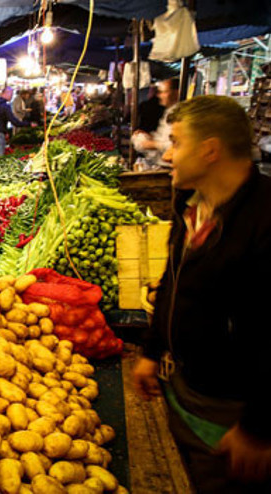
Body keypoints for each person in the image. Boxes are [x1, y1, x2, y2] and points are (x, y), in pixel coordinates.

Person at [132, 95, 271, 492]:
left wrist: (258, 429)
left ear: (210, 150)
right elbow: (173, 279)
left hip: (235, 416)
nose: (167, 155)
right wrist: (152, 350)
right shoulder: (191, 204)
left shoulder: (264, 220)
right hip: (187, 387)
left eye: (176, 142)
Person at [132, 79, 180, 170]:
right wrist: (150, 137)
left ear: (176, 93)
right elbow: (165, 137)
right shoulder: (168, 111)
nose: (159, 96)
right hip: (161, 164)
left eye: (163, 92)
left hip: (170, 167)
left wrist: (152, 144)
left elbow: (176, 144)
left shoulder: (179, 114)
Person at [0, 86, 31, 166]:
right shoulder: (5, 106)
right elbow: (14, 121)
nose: (11, 97)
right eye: (11, 94)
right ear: (6, 93)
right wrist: (28, 124)